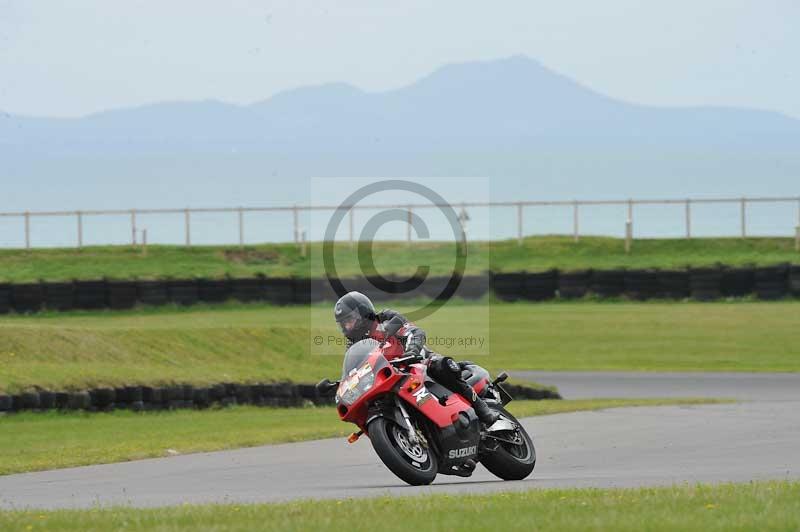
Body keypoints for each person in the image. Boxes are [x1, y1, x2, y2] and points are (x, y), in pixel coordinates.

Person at [334, 291, 499, 426]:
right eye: (343, 323)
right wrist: (343, 383)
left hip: (419, 362)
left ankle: (482, 409)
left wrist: (412, 350)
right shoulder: (354, 345)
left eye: (349, 320)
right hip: (391, 378)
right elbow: (356, 368)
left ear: (363, 312)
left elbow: (415, 332)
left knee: (441, 366)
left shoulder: (385, 318)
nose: (346, 327)